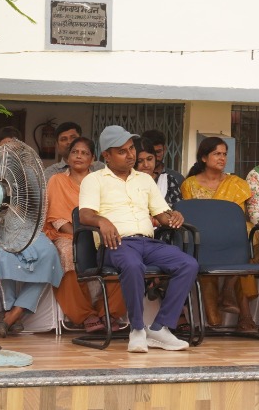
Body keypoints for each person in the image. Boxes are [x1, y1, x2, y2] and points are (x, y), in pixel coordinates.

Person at [80, 125, 199, 352]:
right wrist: (102, 221)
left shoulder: (145, 180)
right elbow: (85, 214)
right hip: (117, 244)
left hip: (148, 242)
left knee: (188, 264)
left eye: (131, 148)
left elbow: (161, 215)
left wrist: (173, 216)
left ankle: (160, 328)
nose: (130, 155)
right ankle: (137, 329)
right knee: (133, 265)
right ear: (107, 156)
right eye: (122, 151)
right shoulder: (94, 179)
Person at [0, 133, 64, 336]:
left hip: (25, 226)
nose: (9, 152)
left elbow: (34, 206)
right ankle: (10, 311)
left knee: (49, 253)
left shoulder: (27, 174)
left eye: (14, 148)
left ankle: (13, 315)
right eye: (4, 147)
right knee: (3, 254)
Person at [45, 135, 127, 333]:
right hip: (68, 235)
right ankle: (85, 315)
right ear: (68, 157)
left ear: (92, 159)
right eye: (74, 152)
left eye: (84, 153)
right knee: (68, 254)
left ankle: (109, 312)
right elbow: (56, 217)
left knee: (125, 255)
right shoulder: (57, 180)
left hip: (102, 235)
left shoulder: (103, 182)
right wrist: (81, 238)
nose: (79, 156)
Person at [181, 136, 258, 330]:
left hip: (232, 236)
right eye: (217, 154)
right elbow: (191, 216)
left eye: (224, 154)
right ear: (204, 158)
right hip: (202, 236)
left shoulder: (237, 184)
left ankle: (230, 292)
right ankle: (238, 314)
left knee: (252, 237)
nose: (222, 158)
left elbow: (239, 216)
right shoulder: (189, 184)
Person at [137, 140, 181, 207]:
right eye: (140, 161)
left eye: (149, 159)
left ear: (155, 158)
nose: (146, 165)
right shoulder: (127, 182)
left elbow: (179, 207)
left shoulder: (168, 180)